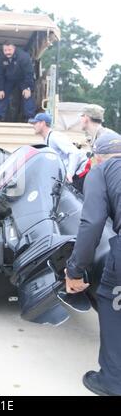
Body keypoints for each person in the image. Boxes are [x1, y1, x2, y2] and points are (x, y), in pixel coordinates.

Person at [65, 133, 121, 396]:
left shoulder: (101, 171)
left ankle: (112, 380)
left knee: (112, 303)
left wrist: (74, 270)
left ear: (97, 156)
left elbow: (92, 223)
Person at [30, 113, 90, 192]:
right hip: (76, 173)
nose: (33, 126)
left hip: (80, 172)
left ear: (42, 123)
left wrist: (69, 174)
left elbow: (74, 153)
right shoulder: (47, 139)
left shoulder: (54, 136)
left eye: (35, 123)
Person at [0, 41, 36, 123]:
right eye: (5, 50)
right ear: (3, 50)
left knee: (27, 95)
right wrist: (0, 89)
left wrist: (28, 88)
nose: (7, 52)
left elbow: (29, 73)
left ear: (14, 48)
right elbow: (0, 75)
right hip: (8, 79)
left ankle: (30, 117)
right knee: (2, 95)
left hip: (23, 78)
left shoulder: (23, 57)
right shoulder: (0, 58)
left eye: (9, 50)